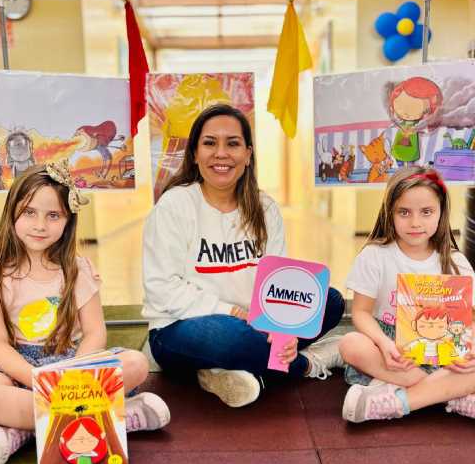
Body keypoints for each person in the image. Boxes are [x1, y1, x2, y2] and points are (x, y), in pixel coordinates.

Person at [0, 162, 170, 464]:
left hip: (71, 363)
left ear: (68, 220)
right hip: (14, 370)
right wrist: (38, 382)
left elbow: (95, 333)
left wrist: (73, 376)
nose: (40, 225)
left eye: (53, 215)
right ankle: (115, 418)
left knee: (135, 363)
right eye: (29, 212)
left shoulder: (77, 268)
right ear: (11, 213)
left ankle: (20, 430)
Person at [143, 104, 345, 408]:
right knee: (231, 337)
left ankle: (226, 372)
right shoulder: (174, 206)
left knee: (329, 301)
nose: (221, 153)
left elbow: (278, 282)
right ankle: (308, 364)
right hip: (181, 326)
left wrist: (283, 328)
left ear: (248, 154)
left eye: (233, 143)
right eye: (210, 143)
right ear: (195, 154)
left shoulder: (265, 208)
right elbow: (161, 289)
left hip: (254, 324)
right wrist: (235, 313)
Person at [338, 166, 475, 423]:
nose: (415, 222)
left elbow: (471, 320)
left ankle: (396, 402)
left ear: (441, 213)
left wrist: (470, 351)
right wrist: (384, 343)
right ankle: (451, 395)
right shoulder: (374, 256)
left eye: (426, 212)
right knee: (349, 344)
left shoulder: (456, 263)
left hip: (444, 349)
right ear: (390, 213)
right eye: (404, 212)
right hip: (391, 347)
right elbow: (360, 312)